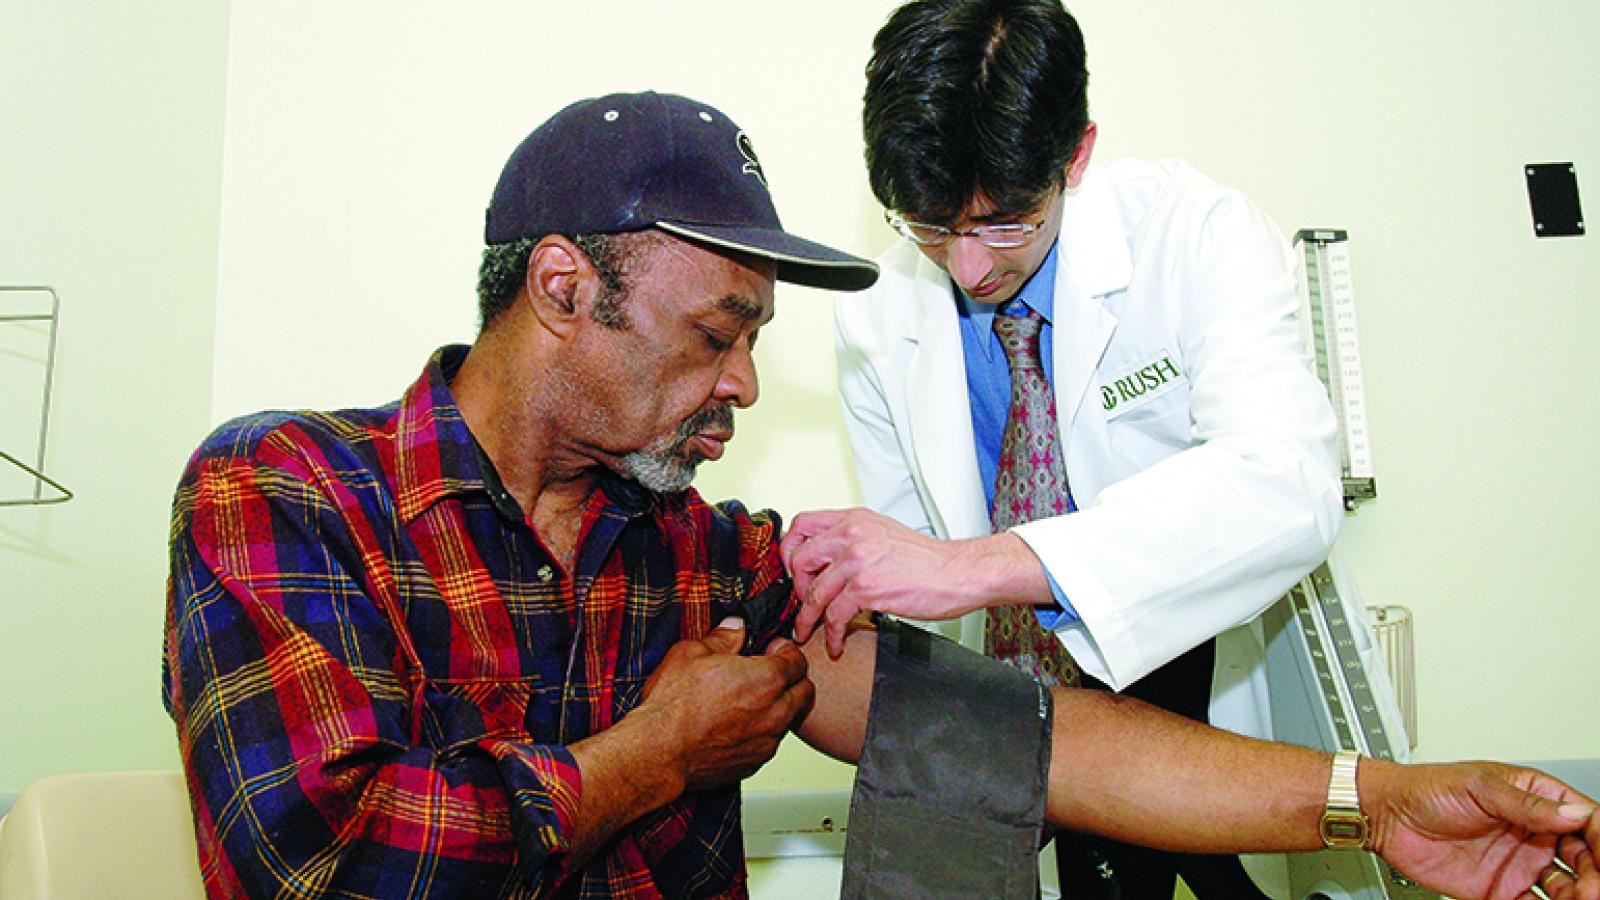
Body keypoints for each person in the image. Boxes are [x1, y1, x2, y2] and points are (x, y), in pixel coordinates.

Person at [163, 90, 1600, 900]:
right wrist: (653, 756)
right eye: (716, 333)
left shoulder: (703, 561)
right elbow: (330, 870)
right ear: (563, 289)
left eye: (755, 347)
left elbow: (1036, 748)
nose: (740, 386)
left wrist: (1374, 800)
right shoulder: (286, 491)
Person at [778, 0, 1388, 896]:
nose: (969, 267)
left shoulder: (1195, 235)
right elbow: (919, 578)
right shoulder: (877, 318)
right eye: (930, 226)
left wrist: (991, 565)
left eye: (1005, 222)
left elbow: (1287, 483)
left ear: (1078, 154)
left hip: (1194, 696)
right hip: (1026, 732)